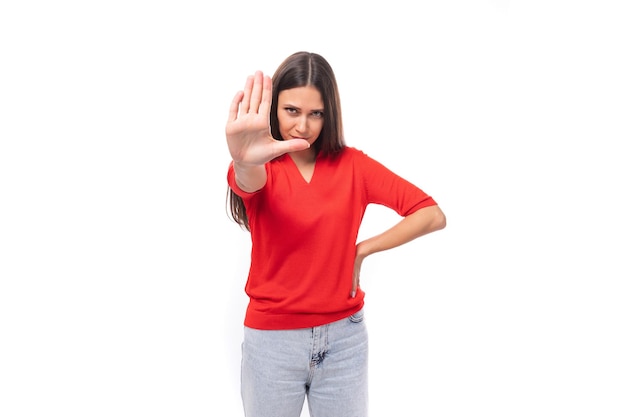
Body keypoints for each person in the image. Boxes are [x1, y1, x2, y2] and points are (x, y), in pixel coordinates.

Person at [225, 51, 446, 417]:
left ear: (330, 114)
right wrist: (244, 159)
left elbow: (430, 213)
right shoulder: (263, 168)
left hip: (344, 340)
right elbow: (248, 180)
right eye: (292, 111)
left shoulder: (352, 166)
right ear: (274, 107)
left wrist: (363, 249)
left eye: (317, 114)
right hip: (273, 343)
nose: (303, 126)